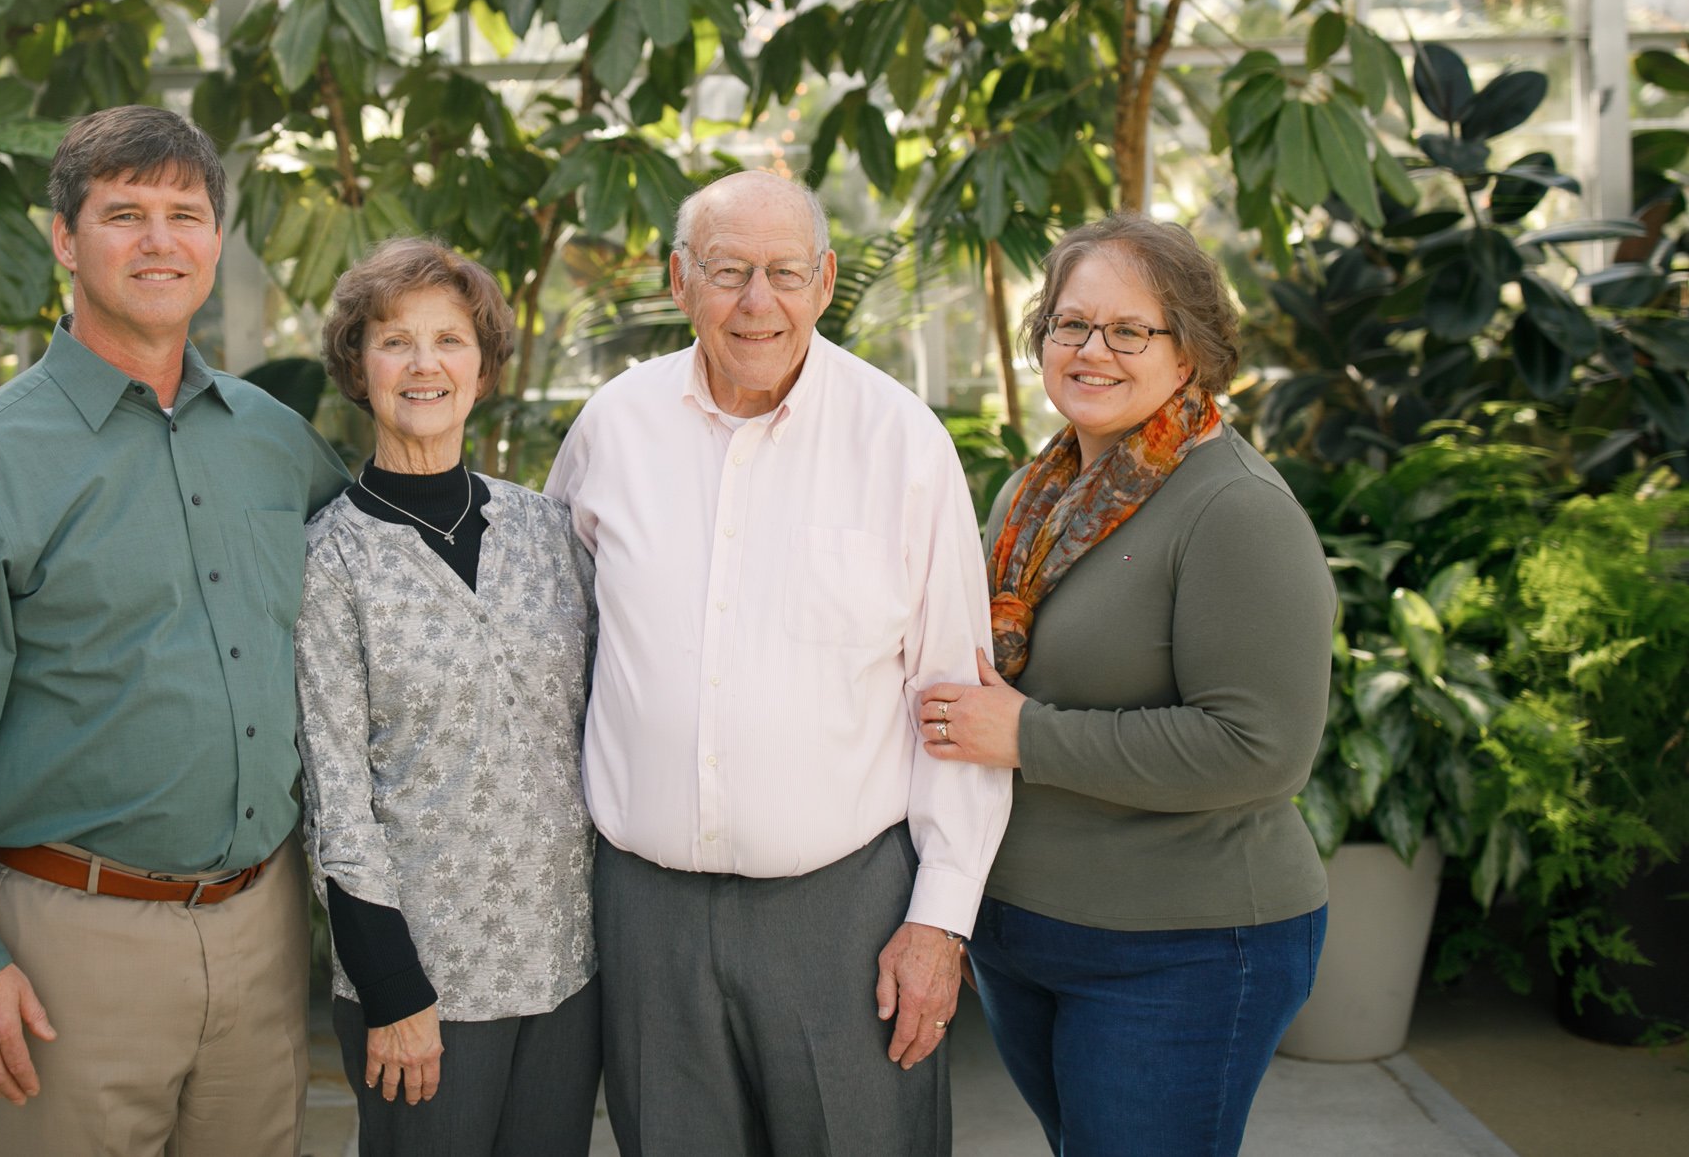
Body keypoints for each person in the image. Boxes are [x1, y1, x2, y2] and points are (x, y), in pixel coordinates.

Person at [0, 105, 350, 1157]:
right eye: (125, 214)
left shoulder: (275, 444)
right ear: (64, 241)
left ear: (217, 238)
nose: (161, 241)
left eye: (186, 213)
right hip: (68, 942)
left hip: (263, 927)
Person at [545, 170, 1011, 1157]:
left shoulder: (902, 445)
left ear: (825, 280)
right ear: (679, 282)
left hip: (843, 914)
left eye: (784, 273)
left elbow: (957, 704)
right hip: (648, 915)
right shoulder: (610, 434)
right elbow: (560, 657)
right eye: (727, 272)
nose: (757, 303)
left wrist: (940, 922)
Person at [916, 212, 1334, 1157]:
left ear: (1191, 352)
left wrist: (1024, 735)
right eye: (1070, 324)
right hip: (1028, 934)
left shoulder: (1235, 510)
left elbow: (1260, 749)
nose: (1091, 350)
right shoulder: (1036, 492)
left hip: (1182, 946)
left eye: (1129, 330)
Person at [294, 237, 601, 1156]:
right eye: (396, 341)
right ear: (360, 366)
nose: (425, 363)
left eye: (451, 340)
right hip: (427, 985)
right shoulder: (330, 559)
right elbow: (336, 797)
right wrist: (394, 992)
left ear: (483, 366)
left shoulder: (550, 531)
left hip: (566, 968)